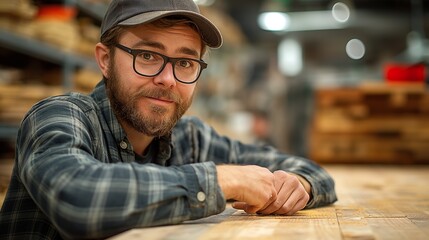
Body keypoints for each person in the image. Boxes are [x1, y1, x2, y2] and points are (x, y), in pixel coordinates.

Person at [0, 0, 337, 239]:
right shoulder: (57, 116)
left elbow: (314, 173)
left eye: (185, 63)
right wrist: (220, 181)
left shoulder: (190, 137)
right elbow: (78, 199)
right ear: (105, 60)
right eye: (147, 56)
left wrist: (299, 186)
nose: (168, 79)